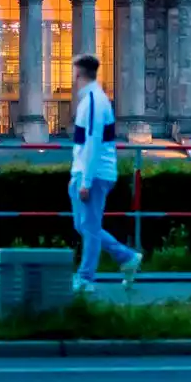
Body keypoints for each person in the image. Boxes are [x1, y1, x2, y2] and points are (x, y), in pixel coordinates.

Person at [68, 54, 143, 293]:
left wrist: (85, 181)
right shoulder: (93, 100)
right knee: (84, 225)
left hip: (94, 173)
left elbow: (92, 142)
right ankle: (126, 257)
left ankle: (86, 278)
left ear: (78, 73)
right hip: (90, 171)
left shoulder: (92, 101)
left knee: (88, 227)